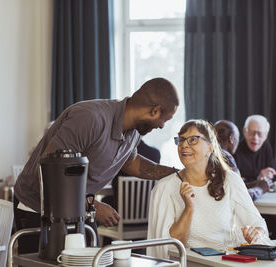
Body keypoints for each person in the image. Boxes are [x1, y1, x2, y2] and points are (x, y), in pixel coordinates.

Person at [13, 77, 179, 253]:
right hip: (38, 206)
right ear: (154, 111)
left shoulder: (133, 134)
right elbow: (50, 170)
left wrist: (178, 173)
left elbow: (135, 165)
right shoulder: (90, 117)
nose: (162, 126)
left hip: (77, 208)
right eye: (165, 120)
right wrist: (93, 206)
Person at [147, 119, 270, 259]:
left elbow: (257, 224)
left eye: (193, 140)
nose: (184, 145)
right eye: (181, 140)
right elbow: (166, 248)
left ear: (210, 148)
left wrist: (256, 234)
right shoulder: (164, 188)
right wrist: (189, 208)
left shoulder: (230, 180)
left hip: (226, 262)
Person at [215, 119, 271, 200]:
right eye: (237, 137)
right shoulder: (226, 157)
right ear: (231, 138)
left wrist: (254, 184)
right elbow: (240, 197)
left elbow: (231, 187)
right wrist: (261, 188)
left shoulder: (210, 154)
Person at [234, 115, 276, 200]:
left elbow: (272, 177)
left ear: (266, 135)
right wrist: (258, 178)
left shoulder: (266, 147)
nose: (255, 138)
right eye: (251, 133)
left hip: (265, 198)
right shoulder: (236, 149)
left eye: (260, 134)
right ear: (245, 132)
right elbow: (237, 183)